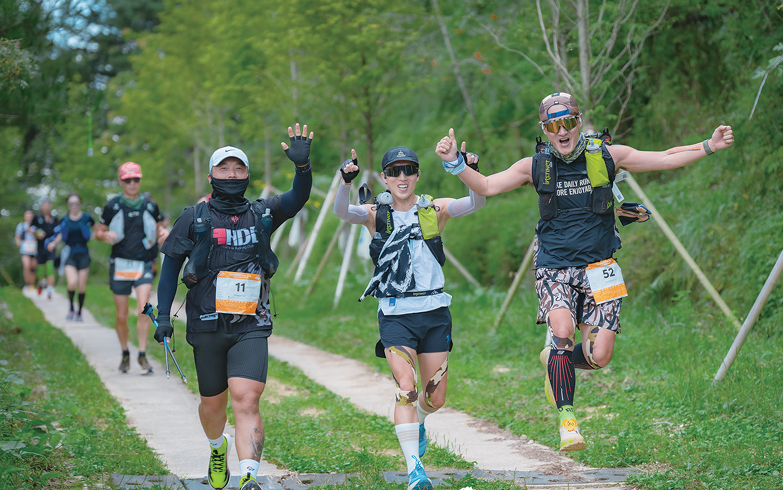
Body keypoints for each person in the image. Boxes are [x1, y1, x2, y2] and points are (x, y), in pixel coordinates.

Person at [439, 92, 734, 452]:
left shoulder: (607, 155)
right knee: (562, 331)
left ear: (579, 122)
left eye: (567, 123)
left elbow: (663, 158)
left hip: (601, 267)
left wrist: (709, 145)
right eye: (552, 126)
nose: (561, 131)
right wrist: (455, 163)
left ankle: (554, 361)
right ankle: (568, 421)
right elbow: (486, 185)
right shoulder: (534, 165)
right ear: (544, 130)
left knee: (600, 356)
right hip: (554, 266)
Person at [154, 123, 313, 490]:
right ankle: (216, 447)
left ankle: (249, 478)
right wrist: (163, 316)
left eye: (238, 168)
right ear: (212, 175)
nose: (231, 174)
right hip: (206, 324)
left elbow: (297, 198)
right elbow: (170, 269)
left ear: (247, 175)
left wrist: (302, 169)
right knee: (213, 407)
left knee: (246, 399)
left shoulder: (263, 213)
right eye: (224, 168)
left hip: (250, 323)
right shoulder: (192, 218)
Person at [333, 144, 485, 490]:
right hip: (396, 313)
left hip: (434, 312)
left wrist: (467, 170)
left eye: (409, 170)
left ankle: (417, 421)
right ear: (385, 178)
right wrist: (345, 182)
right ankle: (415, 471)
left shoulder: (435, 208)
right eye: (395, 171)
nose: (402, 177)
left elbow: (478, 202)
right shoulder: (375, 214)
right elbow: (343, 212)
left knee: (435, 398)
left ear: (417, 174)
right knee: (406, 388)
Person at [95, 162, 168, 375]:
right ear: (121, 182)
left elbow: (157, 228)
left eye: (136, 179)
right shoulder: (112, 206)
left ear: (140, 180)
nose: (132, 183)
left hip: (143, 263)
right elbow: (98, 232)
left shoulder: (150, 206)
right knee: (121, 315)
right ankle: (125, 352)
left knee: (144, 309)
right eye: (128, 180)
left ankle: (142, 354)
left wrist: (162, 233)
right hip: (120, 264)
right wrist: (104, 235)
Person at [46, 193, 95, 321]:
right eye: (71, 203)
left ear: (80, 204)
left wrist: (94, 236)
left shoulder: (86, 217)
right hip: (70, 254)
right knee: (71, 283)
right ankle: (71, 308)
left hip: (83, 253)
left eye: (76, 203)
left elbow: (97, 228)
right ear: (68, 205)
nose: (74, 206)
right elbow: (61, 234)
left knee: (81, 286)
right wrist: (54, 243)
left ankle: (79, 312)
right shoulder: (65, 219)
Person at [33, 198, 60, 299]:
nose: (46, 206)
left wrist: (54, 242)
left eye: (48, 204)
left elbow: (59, 232)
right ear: (41, 206)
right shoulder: (36, 218)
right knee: (40, 270)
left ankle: (49, 291)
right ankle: (40, 283)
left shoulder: (54, 218)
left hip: (50, 248)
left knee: (50, 268)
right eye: (44, 204)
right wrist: (37, 233)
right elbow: (31, 229)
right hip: (40, 248)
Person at [15, 210, 38, 290]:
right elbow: (17, 237)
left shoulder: (35, 226)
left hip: (34, 249)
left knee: (33, 267)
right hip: (25, 249)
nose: (29, 217)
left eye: (30, 215)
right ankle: (27, 283)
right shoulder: (21, 226)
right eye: (27, 215)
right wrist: (18, 243)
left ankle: (32, 284)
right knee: (26, 265)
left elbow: (39, 236)